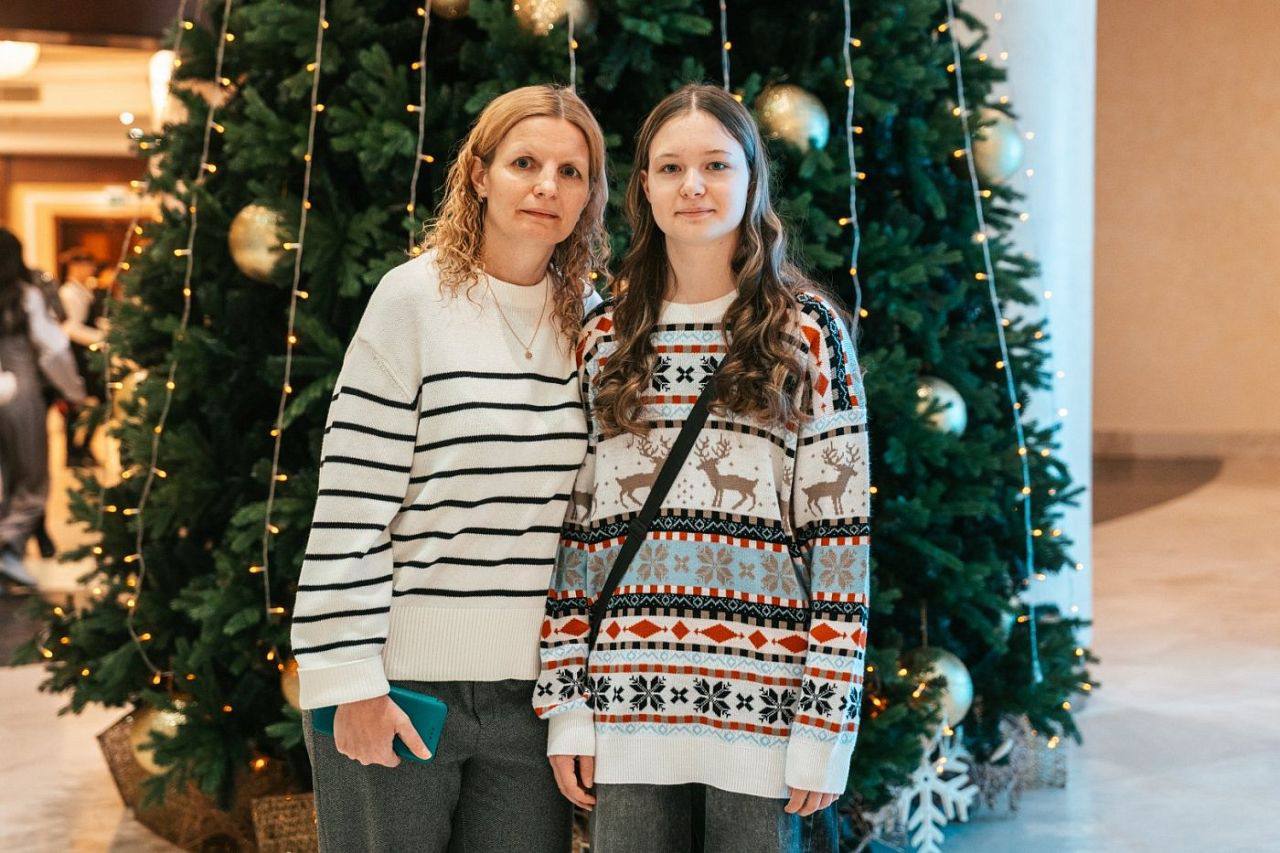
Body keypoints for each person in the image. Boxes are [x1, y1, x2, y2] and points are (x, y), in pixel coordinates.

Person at [534, 84, 872, 853]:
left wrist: (827, 723)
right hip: (626, 703)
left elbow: (841, 546)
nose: (693, 185)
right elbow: (578, 536)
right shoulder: (604, 335)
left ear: (752, 181)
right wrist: (568, 706)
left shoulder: (807, 334)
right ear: (644, 188)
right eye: (671, 167)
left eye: (716, 165)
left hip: (765, 709)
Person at [290, 84, 609, 852]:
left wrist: (580, 692)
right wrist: (350, 681)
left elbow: (595, 522)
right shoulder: (411, 300)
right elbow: (352, 502)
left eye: (570, 172)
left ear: (588, 196)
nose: (546, 186)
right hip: (399, 683)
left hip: (533, 699)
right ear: (479, 174)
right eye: (524, 163)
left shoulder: (593, 320)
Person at [0, 228, 86, 588]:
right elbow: (53, 349)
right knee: (32, 480)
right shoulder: (24, 296)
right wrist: (74, 390)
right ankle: (7, 546)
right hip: (19, 396)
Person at [57, 247, 109, 467]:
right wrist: (100, 338)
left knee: (93, 402)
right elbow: (71, 328)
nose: (90, 269)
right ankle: (74, 451)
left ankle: (82, 448)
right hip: (78, 355)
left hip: (87, 353)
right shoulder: (69, 293)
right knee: (77, 403)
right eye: (86, 265)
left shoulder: (83, 291)